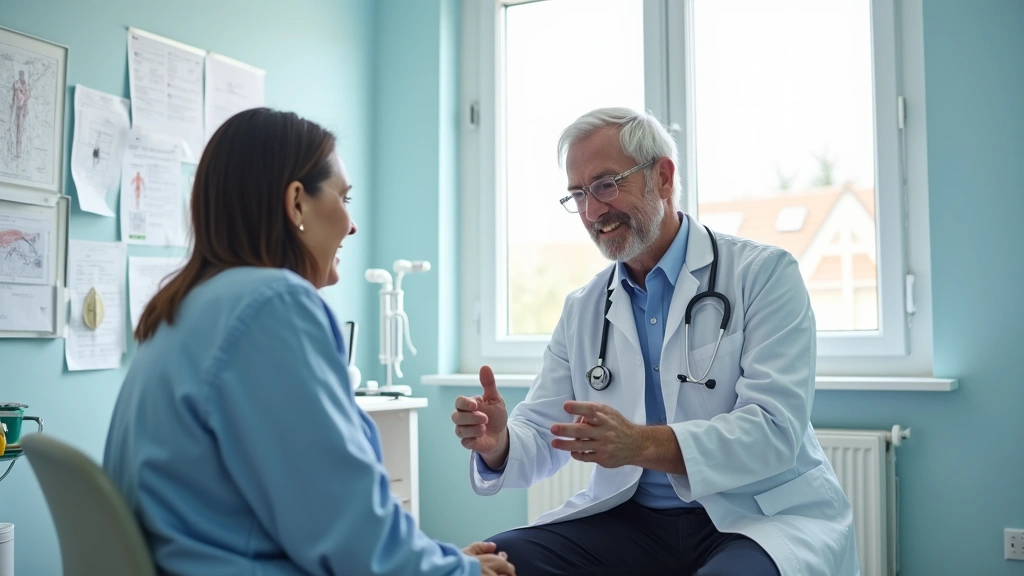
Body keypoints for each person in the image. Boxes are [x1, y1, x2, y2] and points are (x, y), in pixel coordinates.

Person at [104, 108, 515, 576]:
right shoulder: (272, 304)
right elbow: (344, 523)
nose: (352, 224)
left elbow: (311, 521)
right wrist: (457, 573)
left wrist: (441, 561)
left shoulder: (181, 310)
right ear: (297, 203)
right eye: (344, 197)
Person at [451, 107, 859, 576]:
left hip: (754, 516)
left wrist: (639, 444)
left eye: (605, 185)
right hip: (631, 522)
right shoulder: (583, 308)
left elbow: (773, 432)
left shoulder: (764, 275)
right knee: (493, 563)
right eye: (578, 195)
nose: (591, 211)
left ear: (662, 177)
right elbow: (545, 434)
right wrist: (498, 442)